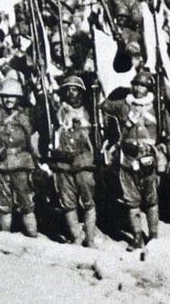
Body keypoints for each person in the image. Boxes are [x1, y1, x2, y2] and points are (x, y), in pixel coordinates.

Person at [102, 71, 170, 251]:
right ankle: (137, 236)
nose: (138, 89)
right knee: (131, 201)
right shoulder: (124, 105)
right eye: (136, 84)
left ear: (148, 88)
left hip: (149, 159)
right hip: (127, 159)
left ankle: (153, 236)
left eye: (142, 85)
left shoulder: (157, 109)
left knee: (151, 200)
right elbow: (104, 106)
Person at [0, 78, 41, 237]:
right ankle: (5, 241)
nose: (8, 99)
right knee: (3, 207)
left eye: (12, 96)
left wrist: (36, 87)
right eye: (5, 96)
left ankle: (33, 240)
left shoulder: (26, 115)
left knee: (27, 206)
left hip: (21, 164)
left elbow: (43, 106)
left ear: (19, 97)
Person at [42, 76, 98, 247]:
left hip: (84, 163)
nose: (71, 93)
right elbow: (47, 100)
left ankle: (90, 238)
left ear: (81, 92)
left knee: (88, 202)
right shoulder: (58, 111)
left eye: (74, 90)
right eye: (68, 90)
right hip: (63, 163)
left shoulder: (91, 112)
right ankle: (76, 237)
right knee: (68, 204)